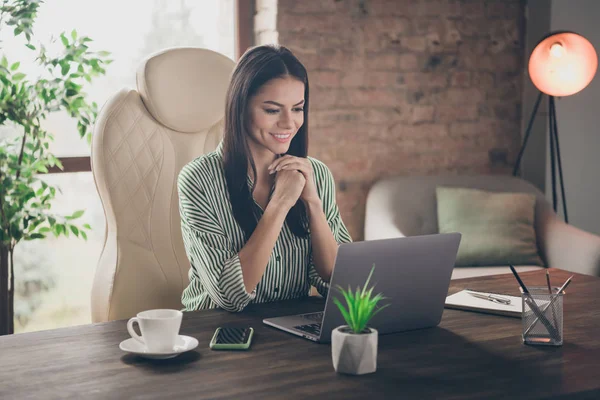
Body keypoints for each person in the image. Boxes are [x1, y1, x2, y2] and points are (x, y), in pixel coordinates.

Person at [177, 44, 352, 312]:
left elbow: (341, 283)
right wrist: (280, 203)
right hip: (216, 333)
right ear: (240, 107)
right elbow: (228, 295)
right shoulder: (198, 180)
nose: (289, 123)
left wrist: (314, 204)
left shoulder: (314, 174)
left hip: (287, 334)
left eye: (297, 108)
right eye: (272, 110)